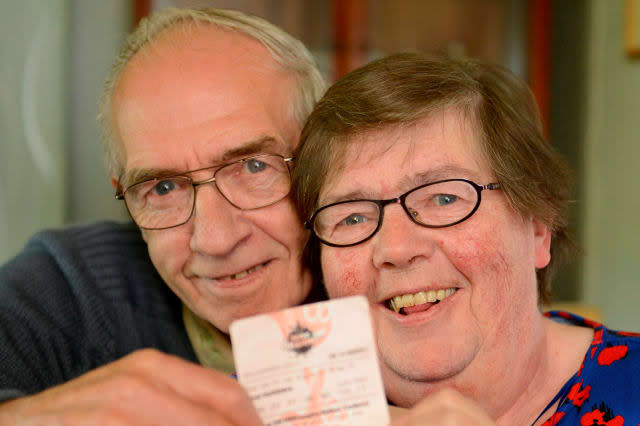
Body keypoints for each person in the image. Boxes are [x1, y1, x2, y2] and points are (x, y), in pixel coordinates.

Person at [0, 7, 326, 424]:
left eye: (252, 166)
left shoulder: (399, 272)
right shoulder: (70, 286)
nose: (215, 240)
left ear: (323, 157)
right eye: (163, 188)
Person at [293, 53, 640, 425]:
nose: (396, 249)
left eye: (444, 198)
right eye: (353, 217)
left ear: (538, 227)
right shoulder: (271, 407)